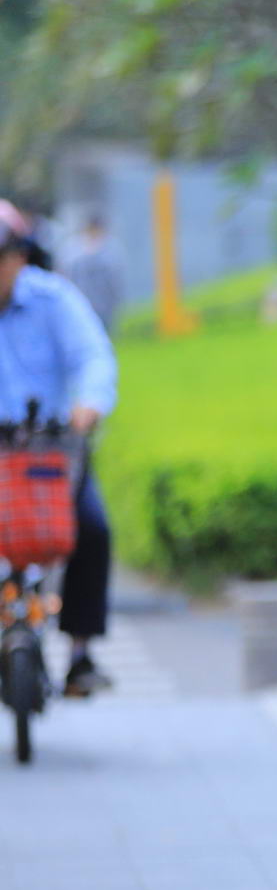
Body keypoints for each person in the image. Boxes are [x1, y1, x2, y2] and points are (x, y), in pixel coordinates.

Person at [0, 200, 117, 696]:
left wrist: (88, 405)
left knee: (91, 529)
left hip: (45, 454)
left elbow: (93, 356)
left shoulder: (52, 299)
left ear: (20, 256)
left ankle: (81, 653)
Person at [64, 216, 123, 335]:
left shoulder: (110, 247)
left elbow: (115, 278)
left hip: (104, 303)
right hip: (81, 300)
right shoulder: (73, 248)